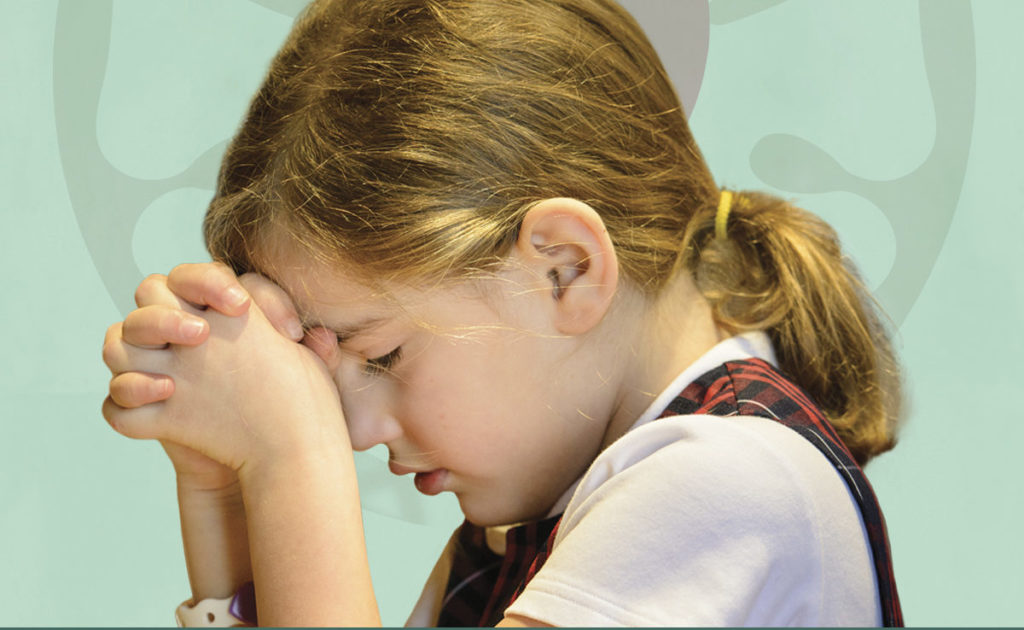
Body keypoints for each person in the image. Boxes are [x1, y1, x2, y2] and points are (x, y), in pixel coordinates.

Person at [101, 0, 905, 625]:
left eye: (380, 355)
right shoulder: (533, 530)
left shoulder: (722, 486)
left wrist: (289, 461)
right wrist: (224, 493)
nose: (347, 427)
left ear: (564, 270)